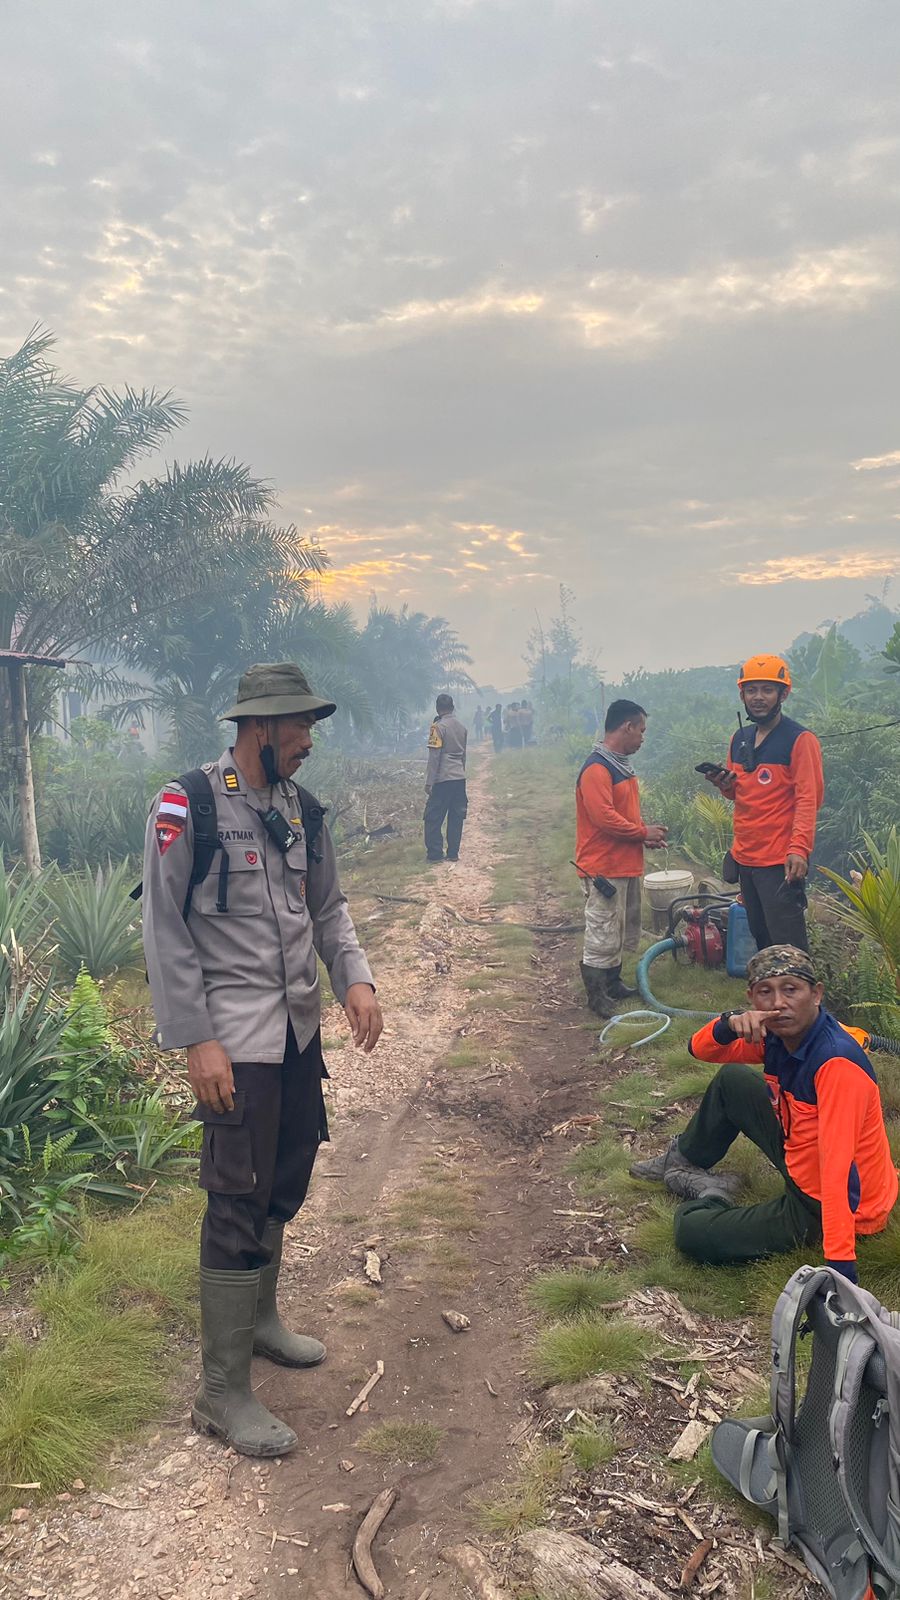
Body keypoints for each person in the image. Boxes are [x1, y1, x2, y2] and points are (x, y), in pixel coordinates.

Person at [141, 662, 383, 1459]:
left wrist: (354, 977)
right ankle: (220, 1392)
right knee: (236, 1200)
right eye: (299, 727)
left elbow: (328, 908)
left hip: (296, 1036)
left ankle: (263, 1321)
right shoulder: (190, 806)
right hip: (233, 1042)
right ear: (258, 730)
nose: (310, 741)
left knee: (286, 1174)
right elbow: (167, 931)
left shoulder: (303, 812)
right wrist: (196, 1039)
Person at [630, 945, 897, 1281]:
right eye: (765, 992)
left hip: (831, 1204)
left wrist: (840, 1270)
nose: (778, 1003)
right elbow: (699, 1050)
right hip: (799, 1149)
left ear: (816, 994)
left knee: (691, 1232)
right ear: (752, 999)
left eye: (791, 989)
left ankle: (712, 1194)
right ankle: (683, 1159)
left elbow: (838, 1171)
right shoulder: (776, 1035)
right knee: (732, 1080)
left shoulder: (835, 1063)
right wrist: (728, 1024)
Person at [704, 654, 823, 951]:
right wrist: (725, 786)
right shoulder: (739, 738)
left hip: (779, 862)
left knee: (788, 944)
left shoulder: (800, 740)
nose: (758, 697)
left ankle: (802, 996)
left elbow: (809, 798)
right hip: (746, 859)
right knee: (761, 936)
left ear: (783, 693)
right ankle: (771, 996)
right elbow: (739, 794)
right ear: (742, 694)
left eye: (767, 690)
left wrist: (799, 849)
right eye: (751, 690)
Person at [575, 698, 667, 1018]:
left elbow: (623, 816)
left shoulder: (619, 766)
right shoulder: (597, 769)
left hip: (624, 862)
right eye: (641, 731)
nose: (642, 738)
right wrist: (642, 833)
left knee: (619, 927)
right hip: (603, 865)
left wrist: (644, 834)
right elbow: (604, 818)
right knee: (602, 928)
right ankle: (596, 994)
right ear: (626, 727)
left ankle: (613, 982)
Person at [424, 692, 468, 862]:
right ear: (452, 707)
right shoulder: (461, 727)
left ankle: (435, 854)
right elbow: (464, 755)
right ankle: (453, 853)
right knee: (456, 816)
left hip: (443, 778)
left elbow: (435, 757)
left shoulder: (438, 727)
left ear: (437, 708)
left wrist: (429, 782)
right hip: (459, 777)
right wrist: (461, 772)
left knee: (433, 816)